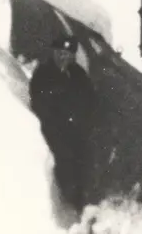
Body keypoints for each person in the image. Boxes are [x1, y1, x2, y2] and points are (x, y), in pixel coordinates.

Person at [28, 33, 97, 212]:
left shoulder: (79, 75)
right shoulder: (43, 73)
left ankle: (85, 200)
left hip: (76, 129)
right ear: (53, 53)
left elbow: (90, 101)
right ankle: (68, 200)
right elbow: (40, 103)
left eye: (67, 53)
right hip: (54, 130)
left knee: (86, 156)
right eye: (59, 53)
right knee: (65, 157)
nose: (63, 57)